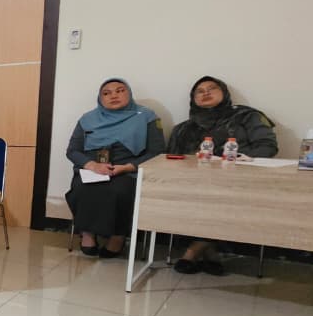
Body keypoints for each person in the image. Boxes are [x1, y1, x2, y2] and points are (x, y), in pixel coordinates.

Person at [166, 76, 278, 274]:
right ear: (193, 99)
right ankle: (210, 253)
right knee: (197, 195)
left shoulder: (247, 116)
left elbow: (267, 146)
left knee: (215, 195)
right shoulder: (183, 128)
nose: (206, 93)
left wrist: (232, 160)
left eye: (212, 88)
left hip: (239, 181)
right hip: (192, 184)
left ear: (224, 93)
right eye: (200, 91)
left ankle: (193, 251)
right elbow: (171, 159)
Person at [65, 78, 165, 258]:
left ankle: (118, 236)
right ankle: (87, 233)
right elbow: (73, 151)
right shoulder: (87, 119)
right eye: (106, 93)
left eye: (120, 90)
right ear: (100, 98)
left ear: (129, 93)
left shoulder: (146, 116)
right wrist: (93, 165)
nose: (113, 96)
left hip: (128, 168)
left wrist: (127, 167)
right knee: (81, 189)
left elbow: (156, 151)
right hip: (93, 167)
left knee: (121, 190)